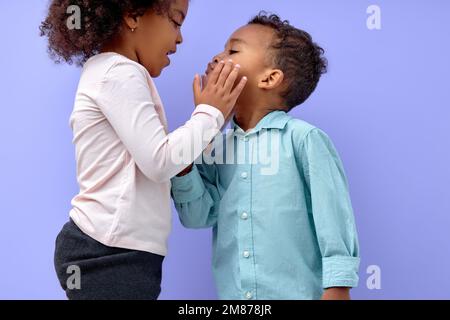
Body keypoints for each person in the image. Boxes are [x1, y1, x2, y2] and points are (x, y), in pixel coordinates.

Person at [40, 0, 247, 300]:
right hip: (107, 250)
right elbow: (160, 161)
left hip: (122, 250)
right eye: (176, 22)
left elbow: (162, 157)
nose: (180, 38)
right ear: (132, 15)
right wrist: (208, 114)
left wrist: (211, 122)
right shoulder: (118, 73)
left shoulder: (115, 74)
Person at [171, 13, 360, 300]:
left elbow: (333, 221)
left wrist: (338, 288)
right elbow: (197, 217)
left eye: (232, 50)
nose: (216, 57)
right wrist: (197, 132)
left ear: (269, 78)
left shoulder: (304, 140)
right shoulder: (213, 147)